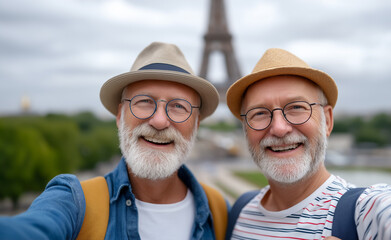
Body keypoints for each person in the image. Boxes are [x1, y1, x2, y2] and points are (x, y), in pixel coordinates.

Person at [0, 42, 228, 239]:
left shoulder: (220, 212)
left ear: (196, 124)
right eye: (144, 101)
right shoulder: (74, 203)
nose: (159, 121)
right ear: (120, 116)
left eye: (179, 106)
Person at [225, 47, 391, 239]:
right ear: (245, 129)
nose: (279, 128)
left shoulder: (366, 208)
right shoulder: (240, 212)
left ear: (328, 121)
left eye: (296, 107)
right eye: (259, 113)